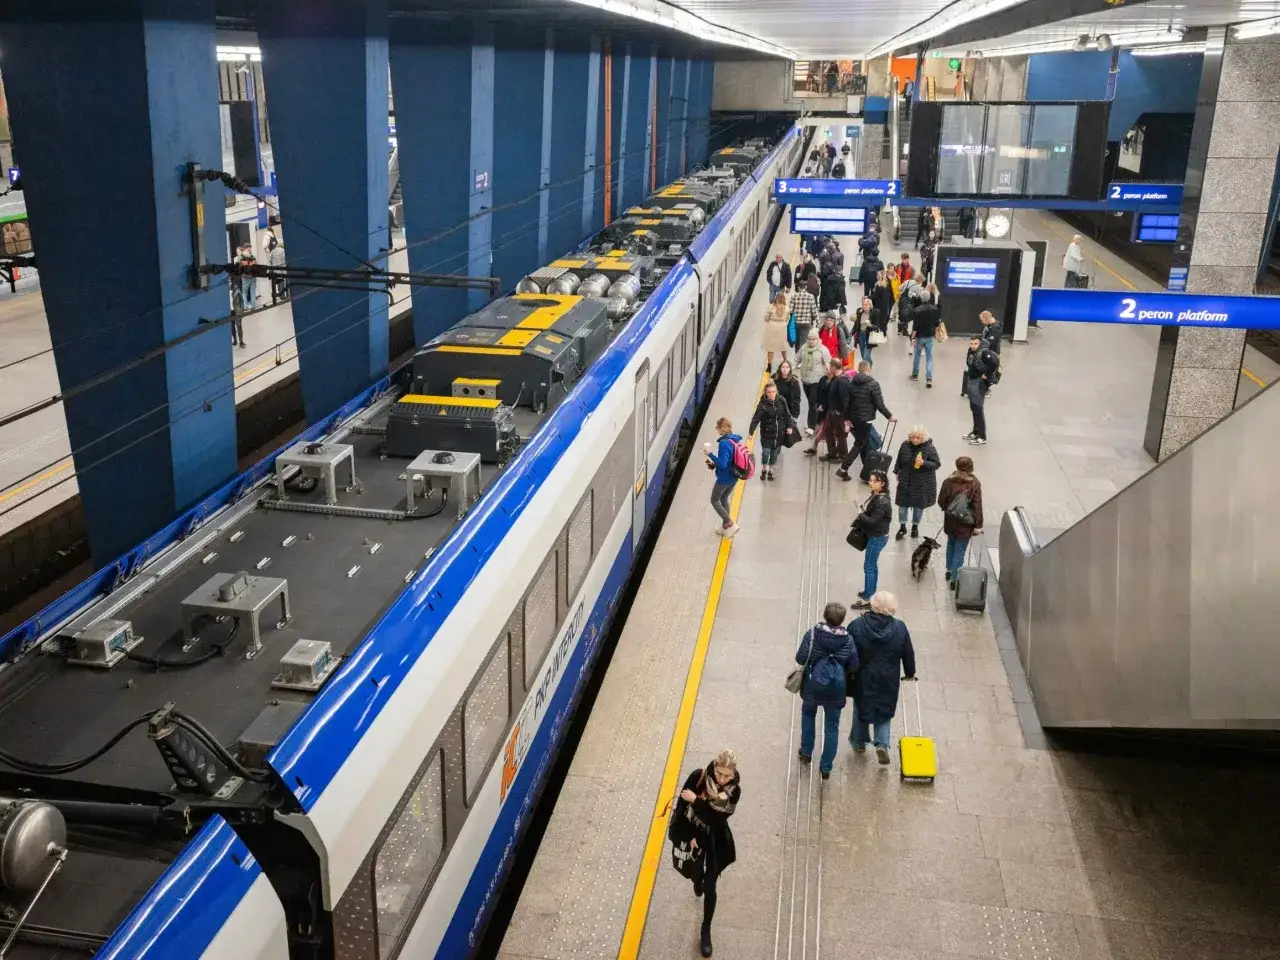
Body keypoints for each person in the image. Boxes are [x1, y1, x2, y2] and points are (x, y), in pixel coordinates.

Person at [670, 749, 740, 958]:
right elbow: (682, 807)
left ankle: (706, 929)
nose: (722, 780)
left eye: (728, 776)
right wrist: (688, 835)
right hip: (692, 834)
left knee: (710, 886)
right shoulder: (697, 777)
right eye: (720, 774)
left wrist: (697, 801)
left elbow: (717, 820)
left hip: (715, 840)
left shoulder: (733, 791)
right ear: (714, 767)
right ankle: (696, 881)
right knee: (695, 874)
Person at [847, 591, 917, 762]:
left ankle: (859, 742)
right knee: (885, 710)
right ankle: (882, 744)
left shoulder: (857, 625)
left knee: (861, 707)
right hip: (888, 678)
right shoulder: (900, 627)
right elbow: (908, 653)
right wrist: (909, 673)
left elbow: (847, 650)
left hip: (863, 676)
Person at [795, 602, 858, 779]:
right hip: (835, 689)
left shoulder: (813, 634)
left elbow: (800, 657)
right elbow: (854, 664)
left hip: (812, 685)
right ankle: (826, 767)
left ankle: (806, 752)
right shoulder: (848, 639)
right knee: (832, 727)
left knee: (808, 715)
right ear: (842, 620)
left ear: (825, 615)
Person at [835, 360, 894, 482]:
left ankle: (866, 471)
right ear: (869, 369)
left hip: (852, 419)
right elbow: (879, 404)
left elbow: (845, 403)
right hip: (865, 420)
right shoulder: (873, 384)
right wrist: (889, 416)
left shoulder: (851, 383)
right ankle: (844, 469)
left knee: (862, 443)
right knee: (859, 444)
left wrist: (846, 419)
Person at [937, 456, 984, 586]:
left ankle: (948, 569)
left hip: (951, 519)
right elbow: (977, 505)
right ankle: (954, 577)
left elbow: (941, 501)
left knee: (951, 544)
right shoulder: (974, 483)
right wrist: (978, 525)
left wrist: (949, 509)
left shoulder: (948, 481)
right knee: (960, 549)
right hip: (966, 522)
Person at [850, 471, 893, 609]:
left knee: (869, 566)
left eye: (875, 481)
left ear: (883, 483)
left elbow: (873, 521)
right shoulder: (877, 495)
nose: (871, 483)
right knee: (871, 565)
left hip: (877, 537)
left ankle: (869, 595)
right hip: (876, 535)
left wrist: (860, 514)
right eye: (871, 480)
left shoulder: (882, 502)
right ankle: (870, 591)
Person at [892, 425, 941, 540]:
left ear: (923, 438)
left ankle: (915, 526)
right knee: (902, 506)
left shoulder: (929, 448)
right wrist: (896, 471)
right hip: (906, 480)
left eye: (917, 437)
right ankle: (902, 527)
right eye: (913, 437)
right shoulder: (904, 445)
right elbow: (899, 460)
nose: (914, 440)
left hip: (921, 483)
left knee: (918, 507)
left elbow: (936, 464)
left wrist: (924, 462)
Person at [749, 380, 797, 481]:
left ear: (776, 391)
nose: (772, 394)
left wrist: (790, 426)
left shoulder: (782, 401)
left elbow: (787, 415)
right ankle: (764, 469)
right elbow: (756, 418)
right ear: (765, 393)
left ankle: (770, 471)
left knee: (774, 454)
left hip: (779, 434)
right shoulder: (762, 405)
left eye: (774, 392)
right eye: (769, 392)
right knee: (766, 452)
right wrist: (751, 432)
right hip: (766, 435)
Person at [704, 418, 742, 536]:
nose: (716, 430)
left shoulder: (724, 443)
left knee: (714, 500)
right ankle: (725, 527)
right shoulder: (734, 439)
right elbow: (730, 459)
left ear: (722, 429)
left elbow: (723, 463)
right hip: (734, 476)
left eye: (717, 427)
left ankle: (729, 523)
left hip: (724, 478)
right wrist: (713, 465)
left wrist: (709, 454)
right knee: (724, 498)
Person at [808, 359, 846, 461]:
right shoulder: (827, 379)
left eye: (829, 367)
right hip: (829, 411)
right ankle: (832, 453)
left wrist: (842, 413)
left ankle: (842, 456)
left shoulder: (841, 380)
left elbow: (844, 399)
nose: (827, 369)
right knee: (829, 432)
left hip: (836, 412)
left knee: (839, 434)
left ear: (834, 368)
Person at [963, 336, 999, 445]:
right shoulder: (971, 351)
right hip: (972, 381)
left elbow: (993, 363)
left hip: (980, 384)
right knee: (973, 407)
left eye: (975, 344)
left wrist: (986, 375)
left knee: (978, 408)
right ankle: (976, 431)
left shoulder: (984, 353)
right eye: (971, 343)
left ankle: (982, 436)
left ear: (980, 343)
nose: (973, 346)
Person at [795, 331, 831, 434]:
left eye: (813, 339)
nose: (810, 341)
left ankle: (811, 426)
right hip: (805, 380)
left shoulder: (822, 350)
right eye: (809, 339)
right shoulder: (803, 348)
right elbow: (797, 359)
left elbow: (828, 362)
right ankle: (819, 420)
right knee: (813, 402)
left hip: (817, 381)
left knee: (812, 402)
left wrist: (828, 370)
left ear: (817, 339)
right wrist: (790, 368)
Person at [908, 288, 942, 386]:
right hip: (930, 336)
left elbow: (915, 327)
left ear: (921, 298)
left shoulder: (917, 310)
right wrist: (935, 333)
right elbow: (937, 323)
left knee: (917, 356)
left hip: (919, 336)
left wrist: (912, 338)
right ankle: (929, 378)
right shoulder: (935, 309)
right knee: (929, 358)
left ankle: (915, 375)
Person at [762, 291, 790, 372]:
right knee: (783, 346)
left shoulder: (771, 307)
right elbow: (788, 319)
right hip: (782, 327)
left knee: (770, 347)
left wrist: (770, 319)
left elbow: (766, 318)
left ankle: (769, 366)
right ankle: (785, 361)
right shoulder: (787, 308)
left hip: (772, 327)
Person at [791, 280, 819, 349]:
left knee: (797, 340)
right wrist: (817, 320)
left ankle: (797, 356)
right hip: (807, 323)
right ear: (806, 287)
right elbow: (814, 310)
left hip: (797, 322)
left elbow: (790, 310)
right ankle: (803, 356)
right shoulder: (811, 296)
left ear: (798, 287)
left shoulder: (794, 296)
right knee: (804, 340)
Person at [772, 359, 803, 423]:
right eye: (783, 367)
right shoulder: (774, 378)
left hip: (787, 411)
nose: (785, 369)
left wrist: (795, 416)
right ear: (780, 368)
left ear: (790, 369)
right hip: (774, 408)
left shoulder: (794, 383)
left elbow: (797, 400)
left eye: (787, 367)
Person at [853, 296, 880, 364]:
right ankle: (869, 363)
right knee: (862, 354)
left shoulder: (874, 313)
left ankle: (867, 368)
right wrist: (850, 335)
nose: (863, 306)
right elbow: (856, 325)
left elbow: (877, 327)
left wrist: (870, 325)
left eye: (865, 305)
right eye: (863, 304)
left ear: (870, 306)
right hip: (861, 335)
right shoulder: (859, 312)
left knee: (865, 356)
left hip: (869, 336)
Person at [266, 232, 288, 304]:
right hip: (282, 269)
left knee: (278, 282)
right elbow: (284, 260)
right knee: (283, 282)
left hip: (275, 270)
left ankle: (279, 295)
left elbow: (270, 261)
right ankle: (284, 295)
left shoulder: (272, 251)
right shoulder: (283, 251)